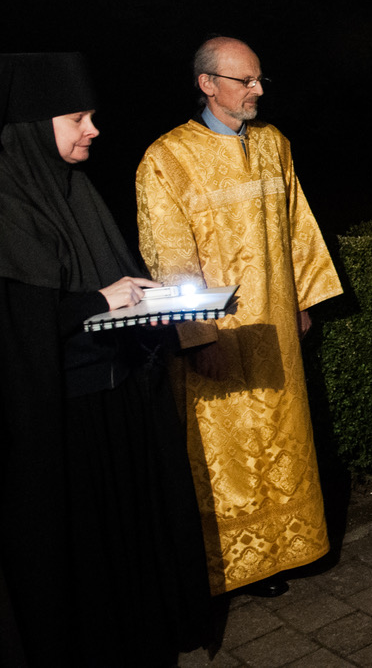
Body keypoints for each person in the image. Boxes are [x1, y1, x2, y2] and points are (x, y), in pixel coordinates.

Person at [1, 53, 209, 665]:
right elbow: (18, 327)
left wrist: (149, 303)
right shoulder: (8, 203)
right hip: (63, 423)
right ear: (34, 128)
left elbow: (105, 284)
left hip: (118, 401)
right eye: (77, 118)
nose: (93, 129)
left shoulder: (76, 189)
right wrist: (97, 300)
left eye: (91, 115)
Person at [136, 37, 342, 597]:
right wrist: (197, 334)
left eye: (258, 80)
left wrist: (301, 296)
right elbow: (169, 256)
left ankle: (295, 545)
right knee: (233, 446)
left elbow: (296, 220)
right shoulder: (167, 158)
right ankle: (244, 564)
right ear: (207, 83)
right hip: (221, 331)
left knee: (286, 429)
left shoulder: (275, 143)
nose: (256, 90)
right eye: (243, 80)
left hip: (275, 321)